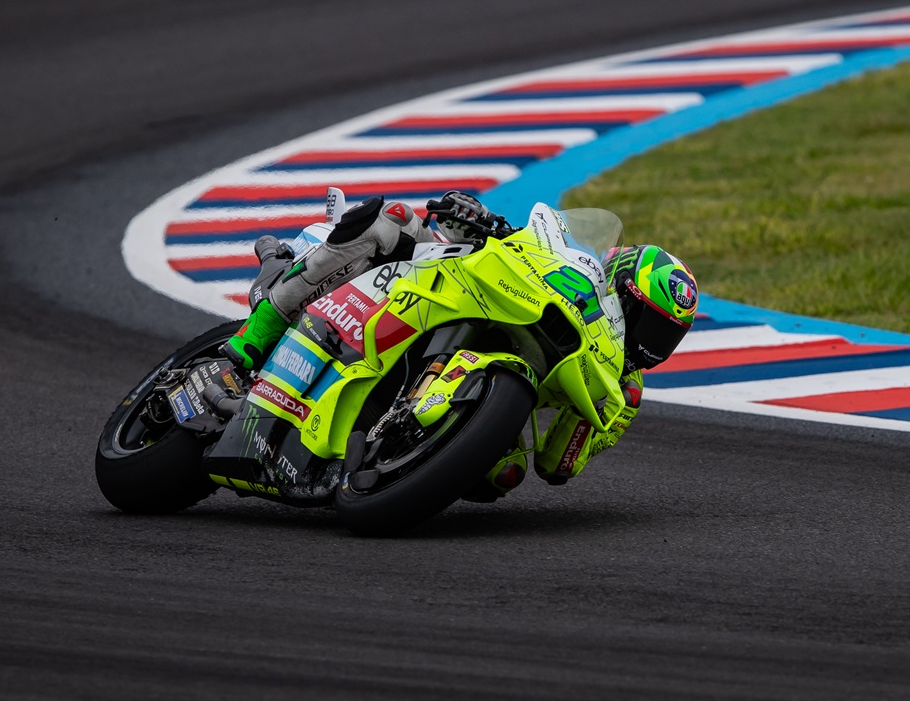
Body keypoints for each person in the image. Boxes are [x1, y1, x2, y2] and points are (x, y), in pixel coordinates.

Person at [221, 191, 698, 496]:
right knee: (391, 219)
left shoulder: (620, 390)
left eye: (666, 335)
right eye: (647, 322)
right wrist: (477, 216)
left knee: (502, 475)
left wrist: (596, 421)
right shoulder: (577, 279)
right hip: (453, 291)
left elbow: (556, 466)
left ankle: (392, 457)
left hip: (492, 395)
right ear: (617, 285)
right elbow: (524, 241)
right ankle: (259, 330)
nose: (651, 343)